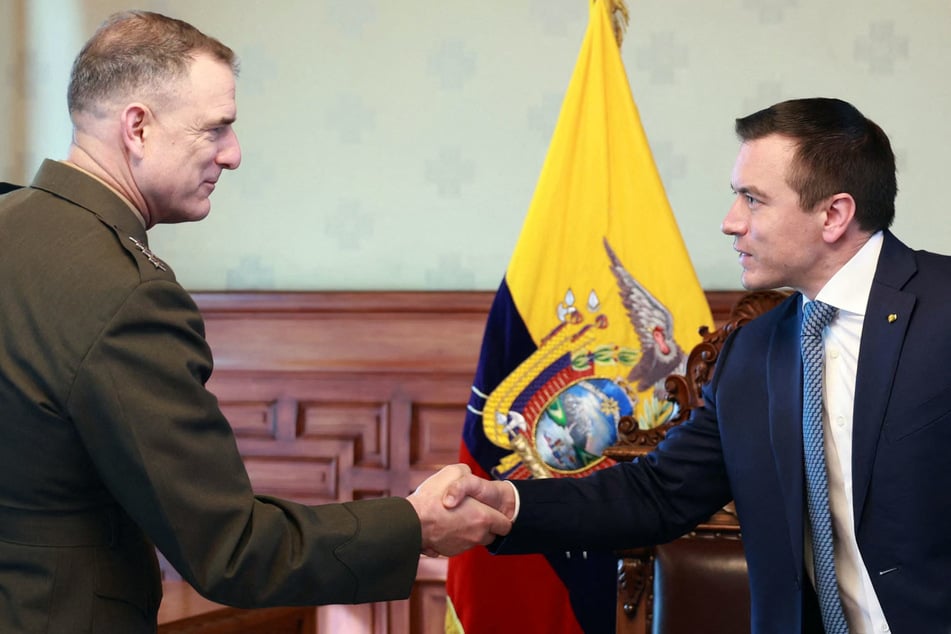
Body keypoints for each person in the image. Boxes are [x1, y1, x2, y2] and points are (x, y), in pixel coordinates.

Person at [0, 11, 510, 633]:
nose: (233, 155)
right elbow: (231, 550)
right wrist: (416, 525)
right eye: (216, 129)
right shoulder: (126, 294)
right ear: (137, 127)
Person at [447, 97, 951, 633]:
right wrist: (504, 502)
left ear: (833, 215)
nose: (730, 223)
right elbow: (658, 492)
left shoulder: (941, 308)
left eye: (753, 200)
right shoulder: (752, 353)